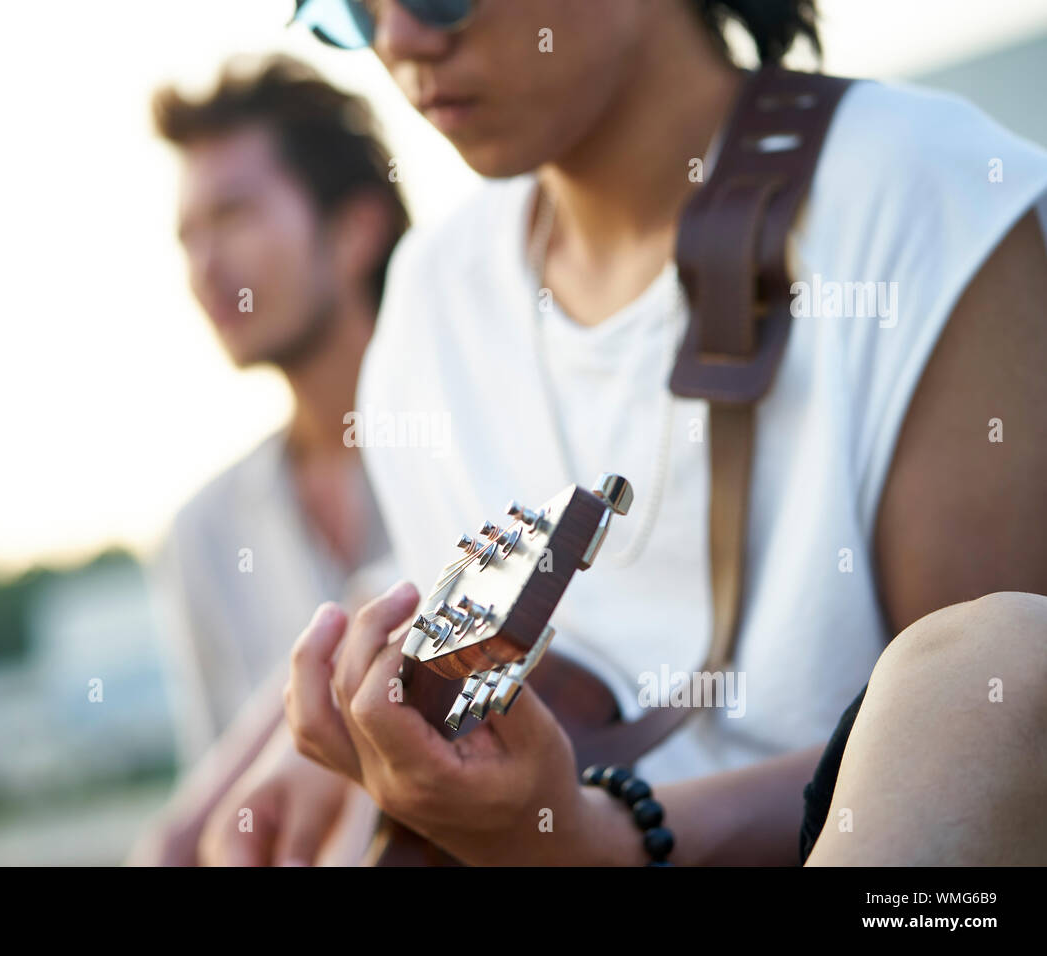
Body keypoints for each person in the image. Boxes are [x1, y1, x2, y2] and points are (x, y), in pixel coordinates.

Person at [274, 0, 1047, 864]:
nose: (401, 38)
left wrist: (593, 837)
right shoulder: (426, 304)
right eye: (351, 7)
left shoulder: (928, 197)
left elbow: (997, 744)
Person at [127, 56, 409, 866]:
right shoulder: (202, 534)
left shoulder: (480, 443)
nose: (205, 267)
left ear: (354, 229)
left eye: (236, 216)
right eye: (189, 236)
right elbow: (222, 814)